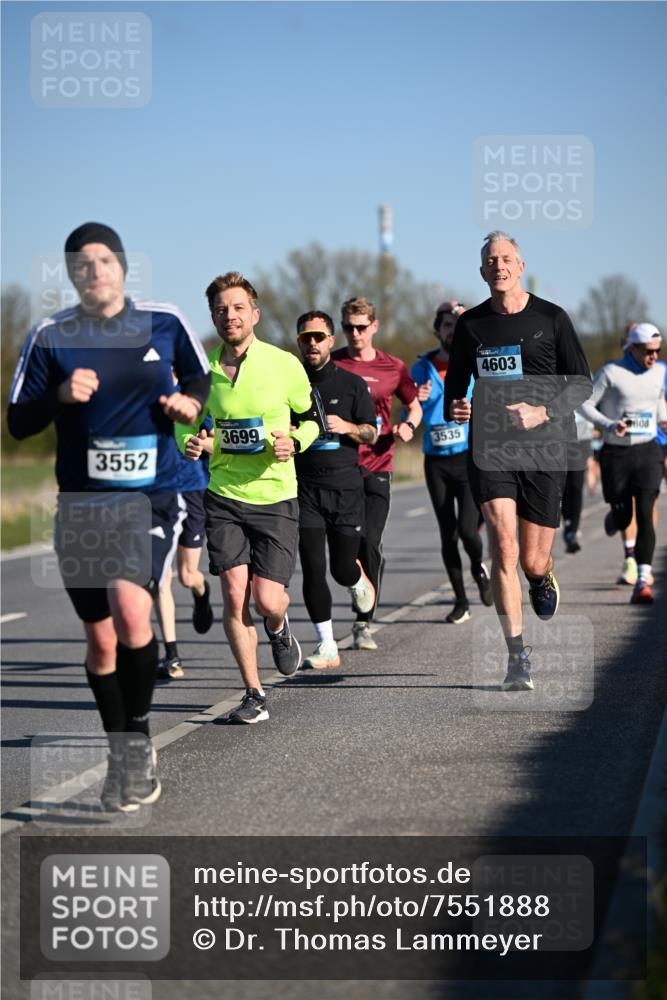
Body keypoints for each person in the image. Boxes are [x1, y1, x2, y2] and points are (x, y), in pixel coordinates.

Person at [7, 222, 211, 809]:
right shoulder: (51, 336)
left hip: (151, 494)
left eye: (104, 261)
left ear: (122, 267)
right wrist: (60, 396)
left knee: (130, 606)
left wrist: (189, 402)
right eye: (82, 265)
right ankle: (120, 748)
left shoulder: (163, 322)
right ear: (71, 275)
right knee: (100, 643)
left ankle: (137, 745)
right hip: (81, 504)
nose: (95, 272)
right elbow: (18, 421)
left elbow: (199, 377)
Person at [445, 231, 592, 691]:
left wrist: (542, 410)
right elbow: (456, 385)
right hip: (491, 448)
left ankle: (542, 576)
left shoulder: (551, 318)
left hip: (547, 447)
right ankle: (516, 657)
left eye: (506, 259)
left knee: (530, 559)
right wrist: (457, 406)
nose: (499, 266)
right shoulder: (471, 326)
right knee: (503, 550)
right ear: (482, 271)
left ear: (520, 266)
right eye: (491, 260)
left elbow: (582, 384)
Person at [181, 272, 319, 722]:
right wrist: (190, 439)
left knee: (268, 600)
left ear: (254, 314)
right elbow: (185, 418)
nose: (230, 315)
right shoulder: (202, 372)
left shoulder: (283, 364)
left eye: (238, 307)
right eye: (221, 309)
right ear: (214, 318)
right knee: (234, 595)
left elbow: (312, 417)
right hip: (222, 496)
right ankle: (253, 693)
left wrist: (295, 441)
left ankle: (279, 628)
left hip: (276, 497)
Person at [331, 297, 422, 650]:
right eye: (348, 328)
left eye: (361, 327)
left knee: (370, 541)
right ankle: (356, 594)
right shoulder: (332, 364)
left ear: (374, 327)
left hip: (379, 462)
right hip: (340, 466)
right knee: (342, 547)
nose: (355, 334)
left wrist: (409, 426)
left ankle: (362, 622)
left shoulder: (393, 366)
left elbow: (413, 406)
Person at [294, 310, 378, 667]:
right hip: (305, 489)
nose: (311, 343)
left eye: (318, 336)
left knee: (341, 568)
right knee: (313, 566)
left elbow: (372, 433)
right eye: (305, 338)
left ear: (331, 340)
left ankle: (358, 580)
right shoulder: (289, 384)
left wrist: (347, 426)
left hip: (345, 488)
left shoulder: (351, 384)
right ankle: (326, 644)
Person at [411, 301, 493, 623]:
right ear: (438, 330)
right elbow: (410, 413)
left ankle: (478, 568)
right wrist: (415, 401)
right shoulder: (421, 369)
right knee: (447, 533)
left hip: (468, 456)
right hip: (436, 462)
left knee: (468, 530)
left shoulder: (476, 364)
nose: (452, 331)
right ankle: (461, 601)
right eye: (447, 325)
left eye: (458, 325)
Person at [579, 322, 666, 604]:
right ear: (633, 348)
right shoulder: (611, 372)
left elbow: (657, 400)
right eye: (649, 352)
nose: (654, 357)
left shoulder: (660, 371)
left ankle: (642, 580)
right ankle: (615, 516)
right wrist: (608, 424)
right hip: (616, 454)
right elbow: (585, 404)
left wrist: (663, 417)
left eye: (658, 351)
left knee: (644, 512)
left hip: (648, 451)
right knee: (623, 516)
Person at [155, 401, 214, 680]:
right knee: (160, 577)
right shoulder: (144, 398)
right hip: (157, 494)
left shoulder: (195, 399)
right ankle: (172, 655)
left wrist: (202, 441)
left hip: (192, 490)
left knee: (187, 576)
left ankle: (201, 593)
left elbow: (214, 436)